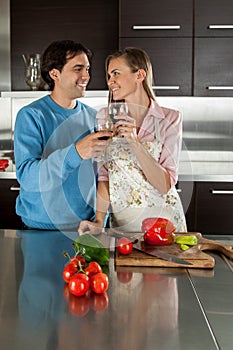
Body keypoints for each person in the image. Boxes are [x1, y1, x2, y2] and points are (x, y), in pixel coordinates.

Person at [78, 47, 187, 233]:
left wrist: (135, 143)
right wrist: (98, 220)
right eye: (109, 75)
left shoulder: (170, 119)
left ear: (139, 75)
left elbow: (164, 185)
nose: (110, 81)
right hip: (123, 226)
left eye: (116, 74)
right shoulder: (105, 118)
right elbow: (105, 176)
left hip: (164, 225)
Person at [14, 40, 112, 231]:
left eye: (87, 69)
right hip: (41, 228)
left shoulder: (94, 117)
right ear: (54, 73)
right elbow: (28, 177)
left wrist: (101, 218)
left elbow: (103, 175)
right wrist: (76, 153)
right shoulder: (31, 116)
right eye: (78, 68)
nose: (86, 76)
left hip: (85, 227)